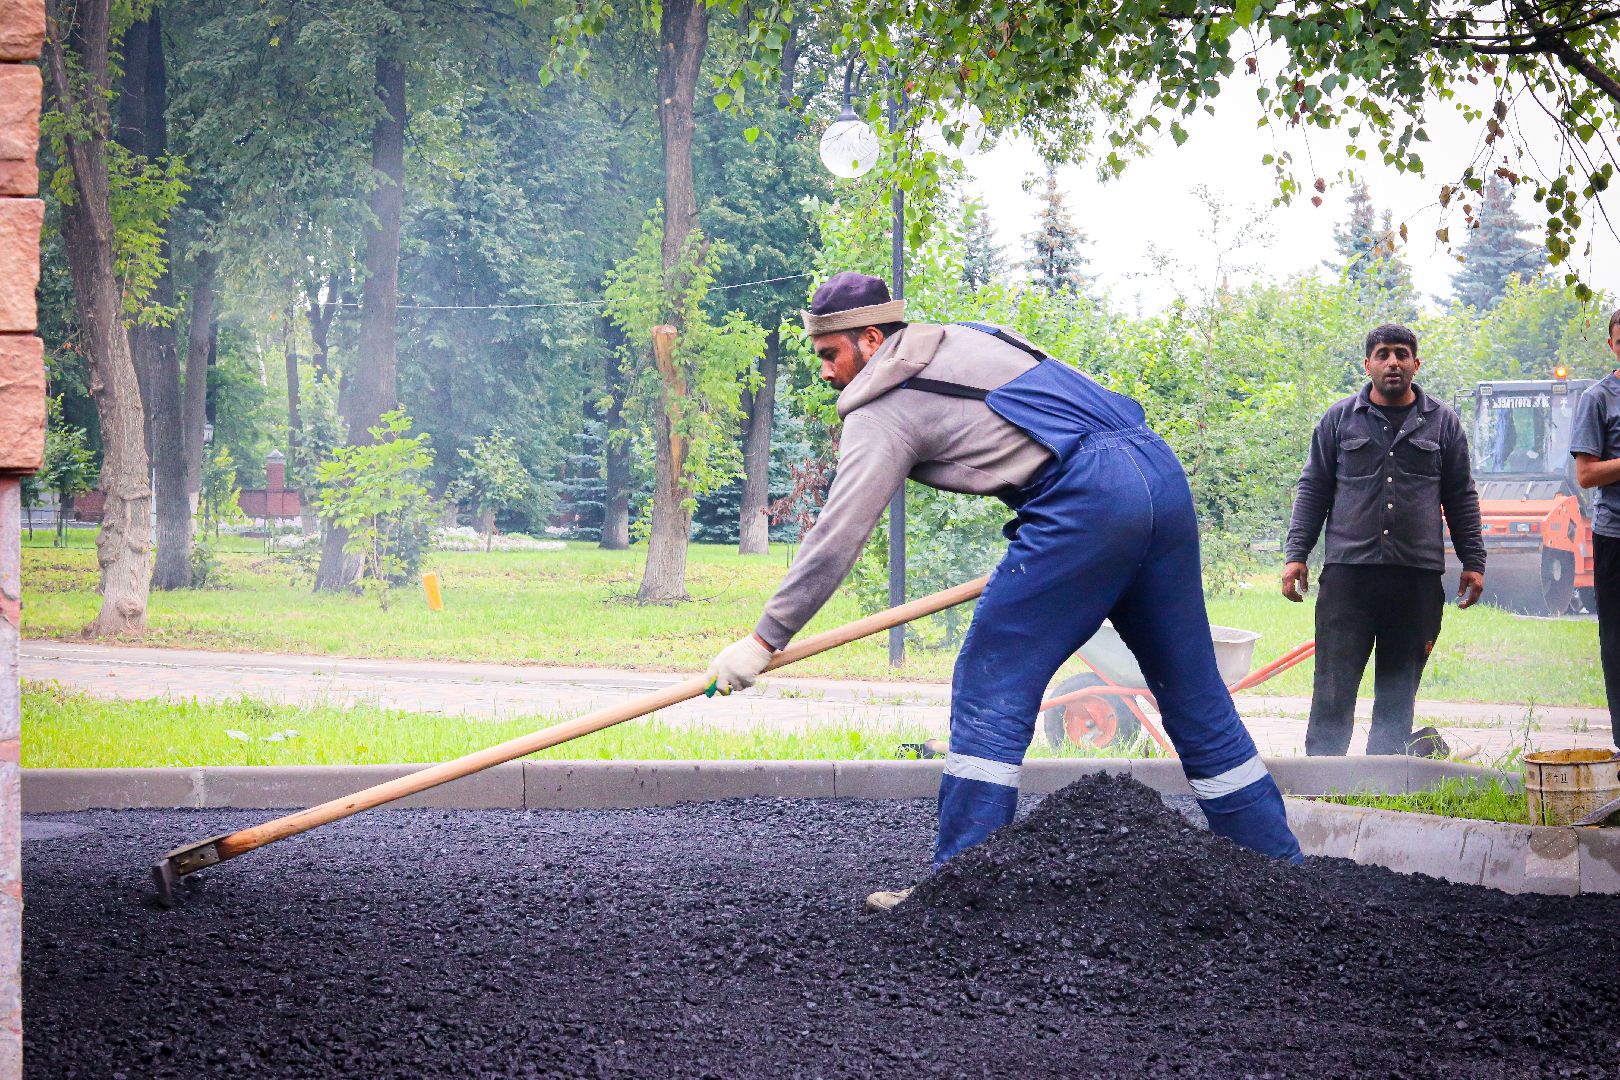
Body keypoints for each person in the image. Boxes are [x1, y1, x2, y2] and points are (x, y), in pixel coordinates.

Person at [704, 271, 1302, 909]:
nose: (825, 372)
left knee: (992, 683)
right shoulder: (976, 337)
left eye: (830, 355)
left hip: (1086, 504)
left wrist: (765, 638)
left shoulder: (884, 405)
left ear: (872, 340)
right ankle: (1281, 875)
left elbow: (836, 535)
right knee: (1193, 693)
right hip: (1158, 475)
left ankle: (958, 896)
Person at [1282, 324, 1486, 756]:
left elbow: (1461, 495)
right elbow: (1314, 489)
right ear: (1368, 364)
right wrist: (1295, 555)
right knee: (1334, 687)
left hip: (1416, 579)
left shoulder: (1443, 423)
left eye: (1401, 353)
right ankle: (1322, 781)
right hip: (1348, 578)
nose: (1392, 362)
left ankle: (1383, 782)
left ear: (1416, 363)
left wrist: (1474, 561)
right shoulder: (1338, 420)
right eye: (1383, 354)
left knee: (1398, 692)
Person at [1570, 309, 1620, 746]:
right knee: (1618, 644)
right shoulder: (1598, 399)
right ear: (1611, 346)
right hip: (1615, 537)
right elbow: (1585, 475)